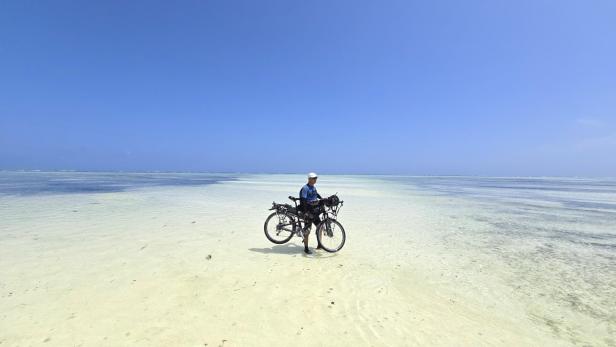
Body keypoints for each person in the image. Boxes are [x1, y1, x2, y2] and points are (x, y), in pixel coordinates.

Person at [299, 172, 323, 254]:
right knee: (307, 230)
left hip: (315, 211)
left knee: (320, 227)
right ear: (309, 179)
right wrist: (305, 212)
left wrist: (323, 199)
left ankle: (320, 244)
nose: (315, 180)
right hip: (308, 211)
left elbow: (317, 195)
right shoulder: (305, 188)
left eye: (316, 178)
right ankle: (306, 248)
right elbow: (303, 201)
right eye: (314, 178)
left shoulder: (313, 187)